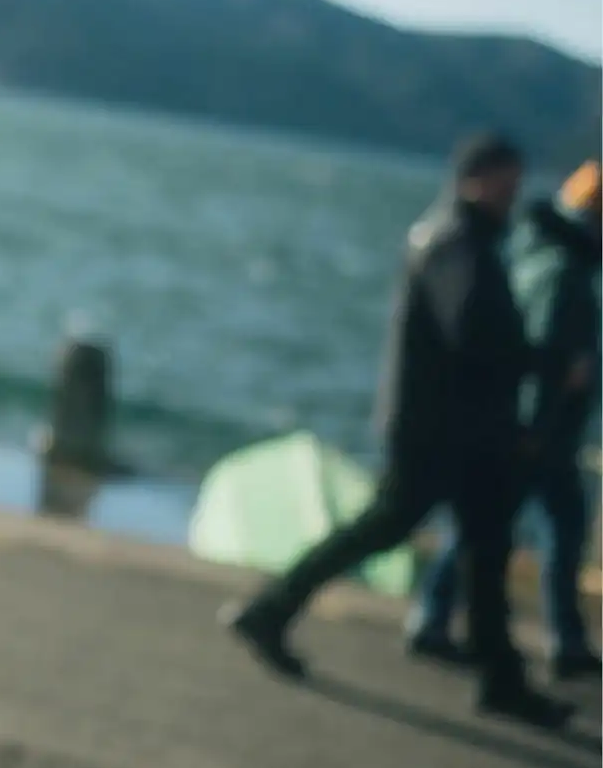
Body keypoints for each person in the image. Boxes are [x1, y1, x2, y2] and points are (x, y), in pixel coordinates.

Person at [222, 133, 574, 729]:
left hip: (453, 428)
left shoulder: (457, 240)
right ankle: (271, 609)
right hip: (444, 431)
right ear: (477, 179)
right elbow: (473, 334)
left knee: (476, 548)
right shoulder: (454, 244)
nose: (513, 196)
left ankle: (500, 677)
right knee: (408, 532)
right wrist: (543, 361)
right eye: (506, 183)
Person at [406, 159, 602, 681]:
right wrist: (537, 426)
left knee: (503, 527)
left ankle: (442, 620)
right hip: (543, 431)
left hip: (537, 428)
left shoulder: (539, 255)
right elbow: (543, 351)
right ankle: (548, 643)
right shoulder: (564, 271)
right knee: (511, 530)